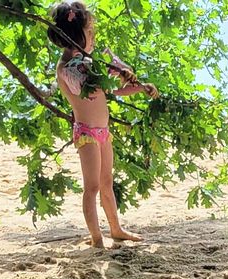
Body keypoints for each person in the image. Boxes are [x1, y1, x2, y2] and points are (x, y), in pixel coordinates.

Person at [49, 1, 158, 248]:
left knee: (107, 182)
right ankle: (97, 238)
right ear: (75, 35)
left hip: (103, 132)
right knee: (92, 187)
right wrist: (118, 71)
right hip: (86, 133)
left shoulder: (86, 63)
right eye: (90, 33)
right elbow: (94, 87)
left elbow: (115, 91)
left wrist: (139, 85)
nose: (94, 38)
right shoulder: (68, 68)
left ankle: (115, 229)